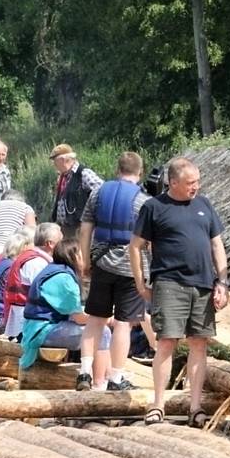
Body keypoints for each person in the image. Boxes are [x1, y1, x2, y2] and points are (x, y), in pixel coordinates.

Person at [129, 158, 229, 427]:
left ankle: (195, 407)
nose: (195, 187)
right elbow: (136, 246)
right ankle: (158, 405)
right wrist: (141, 283)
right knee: (166, 342)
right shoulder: (154, 207)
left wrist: (223, 281)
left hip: (203, 284)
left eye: (197, 181)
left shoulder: (204, 205)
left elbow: (216, 244)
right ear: (173, 183)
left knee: (199, 343)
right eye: (190, 183)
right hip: (169, 282)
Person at [79, 151, 156, 392]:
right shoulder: (143, 200)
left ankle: (84, 373)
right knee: (123, 324)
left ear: (117, 169)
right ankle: (116, 377)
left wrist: (85, 260)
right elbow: (149, 241)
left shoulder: (98, 192)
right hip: (130, 269)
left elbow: (85, 229)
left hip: (101, 262)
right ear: (140, 172)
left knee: (95, 319)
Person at [19, 239, 112, 377]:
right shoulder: (64, 279)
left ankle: (109, 375)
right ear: (73, 256)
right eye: (82, 254)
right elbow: (79, 318)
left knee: (100, 328)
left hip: (37, 328)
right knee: (102, 332)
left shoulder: (55, 270)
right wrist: (104, 318)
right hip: (41, 332)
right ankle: (101, 382)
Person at [4, 222, 62, 341]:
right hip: (26, 327)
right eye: (61, 241)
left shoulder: (35, 259)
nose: (64, 245)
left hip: (24, 322)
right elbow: (48, 296)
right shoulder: (37, 263)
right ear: (50, 244)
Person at [49, 144, 103, 239]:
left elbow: (102, 192)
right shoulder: (63, 176)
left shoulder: (84, 173)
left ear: (63, 160)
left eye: (55, 161)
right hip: (66, 227)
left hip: (79, 227)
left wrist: (90, 213)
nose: (54, 165)